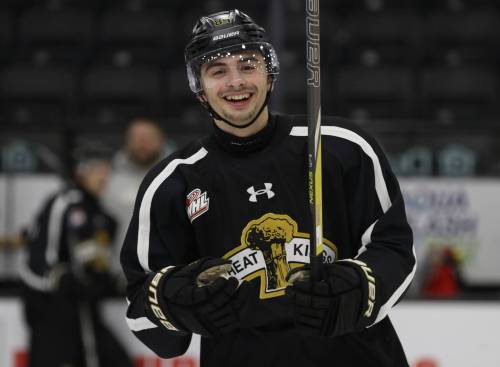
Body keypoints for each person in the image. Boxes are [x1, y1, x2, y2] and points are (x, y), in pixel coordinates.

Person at [121, 9, 416, 367]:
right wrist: (172, 303)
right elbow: (142, 312)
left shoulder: (342, 147)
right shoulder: (173, 182)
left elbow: (395, 249)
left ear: (270, 72)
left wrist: (360, 287)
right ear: (198, 87)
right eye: (218, 71)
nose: (236, 82)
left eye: (248, 65)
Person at [20, 147, 134, 367]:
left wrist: (105, 280)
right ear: (81, 173)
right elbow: (39, 259)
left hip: (84, 306)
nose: (103, 176)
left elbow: (97, 264)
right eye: (97, 170)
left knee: (112, 359)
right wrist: (62, 279)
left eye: (106, 171)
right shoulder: (63, 202)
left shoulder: (104, 216)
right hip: (51, 307)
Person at [102, 117, 169, 277]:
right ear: (126, 141)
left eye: (148, 138)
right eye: (137, 138)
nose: (142, 143)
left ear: (161, 141)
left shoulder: (178, 177)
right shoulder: (107, 180)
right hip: (118, 277)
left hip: (167, 277)